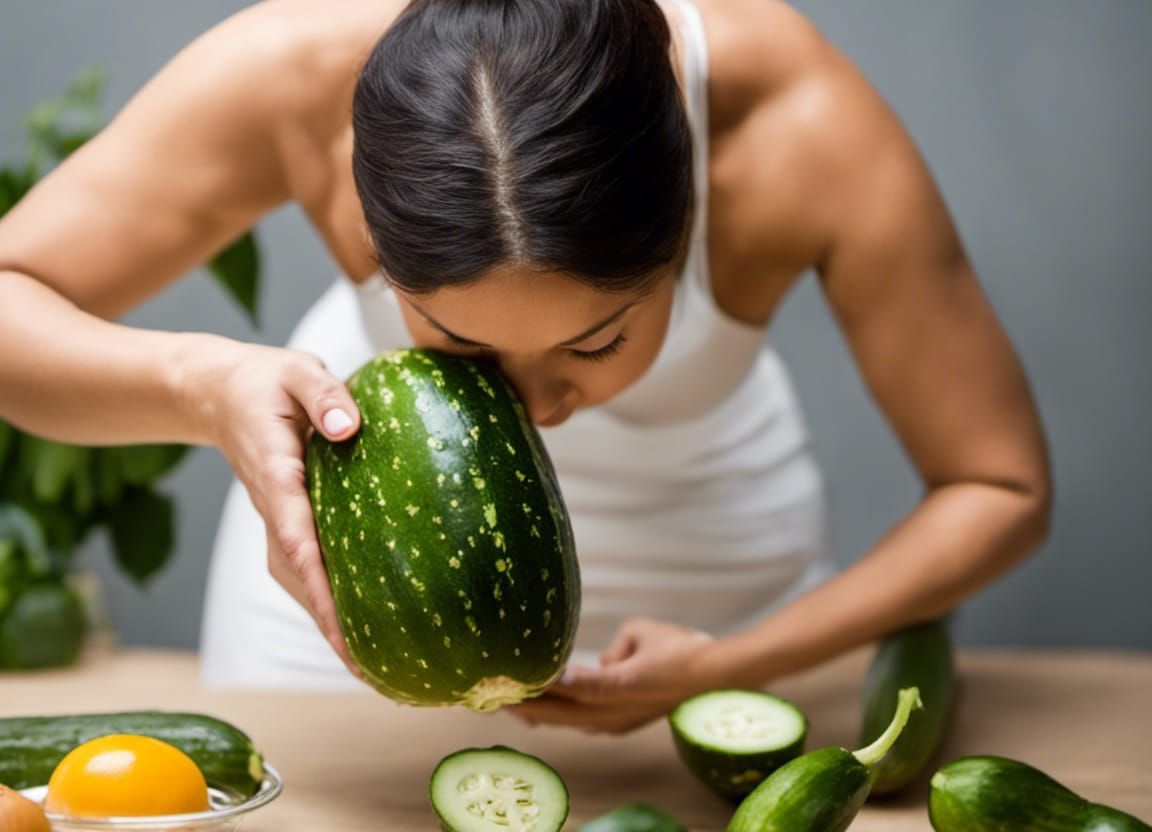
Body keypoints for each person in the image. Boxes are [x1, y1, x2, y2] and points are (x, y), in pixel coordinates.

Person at [0, 0, 1050, 733]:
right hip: (344, 640)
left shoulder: (797, 127)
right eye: (459, 346)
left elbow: (1000, 486)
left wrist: (735, 665)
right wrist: (200, 382)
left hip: (726, 605)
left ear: (686, 208)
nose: (541, 408)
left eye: (597, 340)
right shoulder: (292, 75)